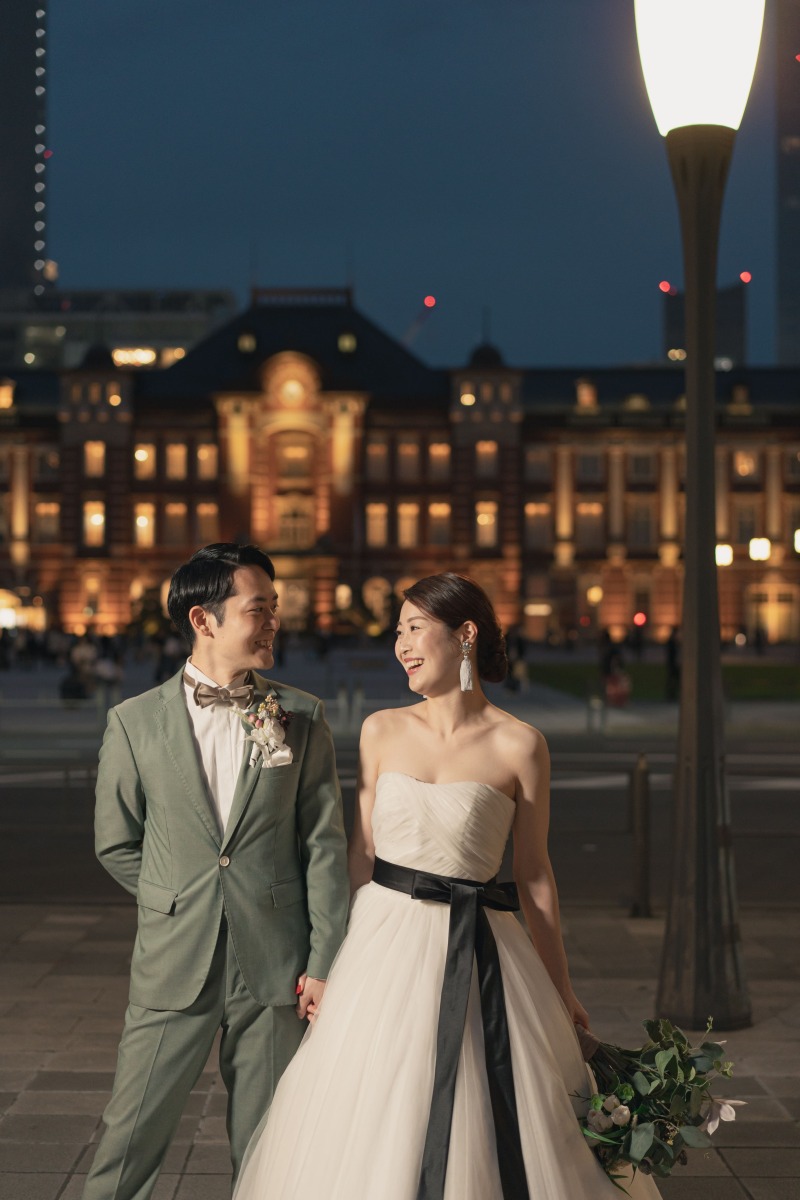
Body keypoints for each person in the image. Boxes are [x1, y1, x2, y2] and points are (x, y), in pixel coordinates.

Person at [233, 573, 659, 1200]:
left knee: (492, 1105)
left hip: (483, 949)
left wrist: (561, 988)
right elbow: (361, 853)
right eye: (397, 631)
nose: (401, 645)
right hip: (381, 948)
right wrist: (327, 963)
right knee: (374, 1106)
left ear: (465, 635)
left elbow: (534, 874)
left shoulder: (522, 745)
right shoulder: (380, 730)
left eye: (414, 628)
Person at [82, 543, 349, 1200]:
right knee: (129, 1136)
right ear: (204, 620)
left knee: (269, 1147)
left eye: (275, 608)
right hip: (175, 959)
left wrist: (323, 961)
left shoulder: (302, 716)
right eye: (260, 609)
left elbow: (324, 847)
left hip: (276, 964)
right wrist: (174, 897)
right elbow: (116, 843)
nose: (275, 622)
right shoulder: (133, 723)